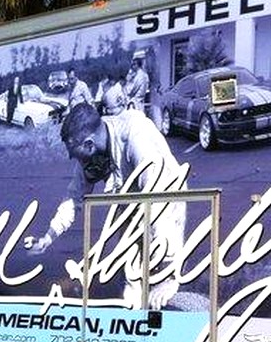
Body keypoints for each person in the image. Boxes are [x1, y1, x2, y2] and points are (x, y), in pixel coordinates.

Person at [27, 102, 186, 310]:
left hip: (165, 197)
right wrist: (48, 236)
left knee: (160, 287)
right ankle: (133, 325)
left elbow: (160, 204)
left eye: (77, 155)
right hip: (129, 204)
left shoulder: (136, 137)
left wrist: (168, 273)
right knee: (131, 286)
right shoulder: (91, 144)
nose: (77, 162)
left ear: (89, 145)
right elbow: (74, 196)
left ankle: (166, 299)